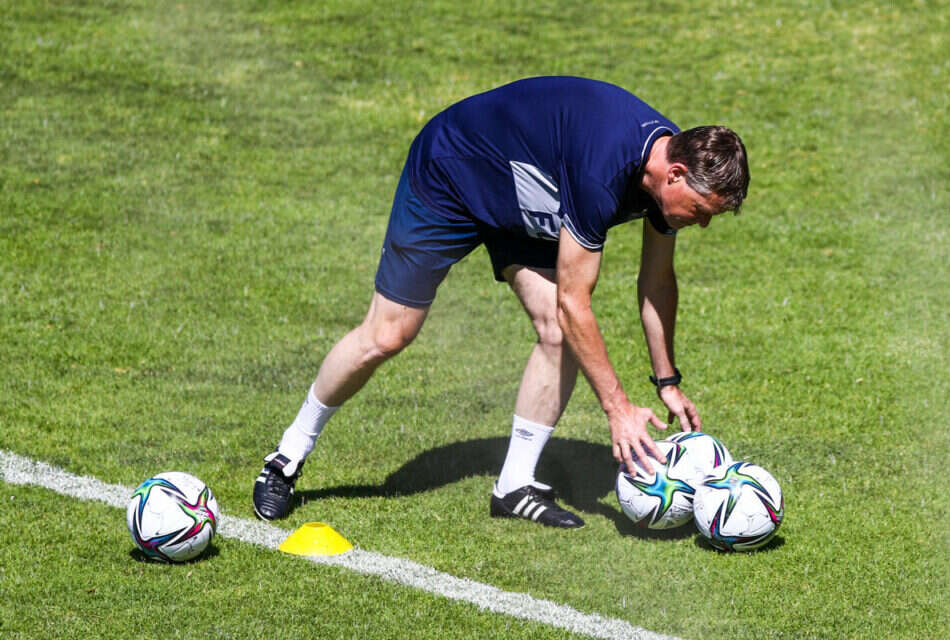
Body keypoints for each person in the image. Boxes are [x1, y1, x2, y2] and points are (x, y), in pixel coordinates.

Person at [253, 76, 749, 528]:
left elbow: (657, 280)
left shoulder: (665, 179)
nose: (703, 223)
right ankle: (286, 457)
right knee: (388, 334)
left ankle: (514, 487)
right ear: (675, 173)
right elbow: (574, 303)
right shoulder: (604, 170)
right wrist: (617, 408)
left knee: (559, 336)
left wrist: (667, 381)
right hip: (453, 171)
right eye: (701, 210)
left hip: (530, 191)